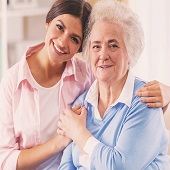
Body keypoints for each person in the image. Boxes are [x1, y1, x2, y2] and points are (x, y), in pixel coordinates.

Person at [57, 0, 170, 169]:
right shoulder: (82, 103)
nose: (103, 55)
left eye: (113, 45)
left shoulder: (146, 100)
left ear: (131, 52)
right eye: (96, 46)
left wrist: (79, 133)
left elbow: (119, 166)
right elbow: (66, 165)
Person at [0, 0, 92, 169]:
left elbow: (119, 85)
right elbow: (5, 160)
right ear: (48, 22)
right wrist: (59, 142)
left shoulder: (86, 75)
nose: (63, 42)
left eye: (74, 38)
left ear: (79, 47)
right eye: (60, 27)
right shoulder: (12, 81)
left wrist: (158, 90)